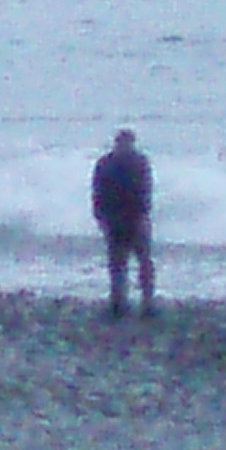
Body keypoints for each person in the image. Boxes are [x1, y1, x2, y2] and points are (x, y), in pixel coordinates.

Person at [91, 127, 156, 319]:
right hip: (119, 220)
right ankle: (120, 303)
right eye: (124, 143)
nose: (126, 146)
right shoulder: (110, 163)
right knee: (120, 263)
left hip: (132, 218)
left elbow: (146, 190)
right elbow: (98, 192)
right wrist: (100, 216)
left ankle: (144, 302)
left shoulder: (135, 162)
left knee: (139, 263)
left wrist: (143, 214)